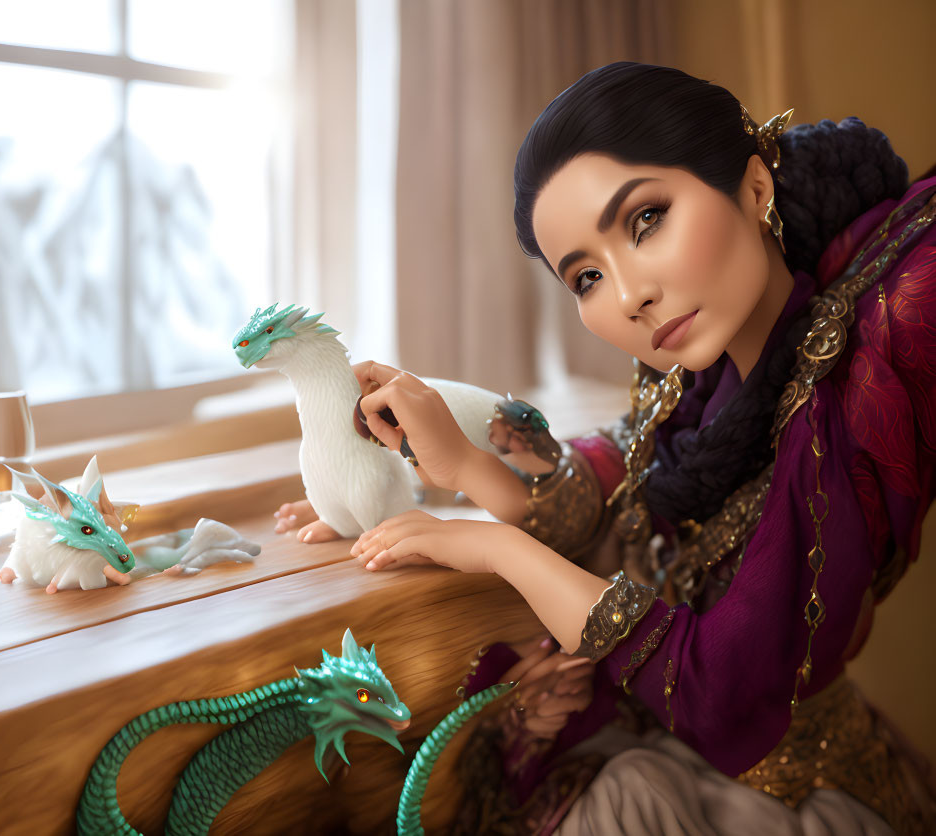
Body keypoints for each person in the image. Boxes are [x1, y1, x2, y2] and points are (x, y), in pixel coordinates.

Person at [343, 62, 936, 834]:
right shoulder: (695, 383)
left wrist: (498, 552)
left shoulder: (865, 361)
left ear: (755, 188)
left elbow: (719, 682)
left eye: (646, 219)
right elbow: (629, 487)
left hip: (803, 796)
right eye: (586, 276)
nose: (626, 296)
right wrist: (465, 469)